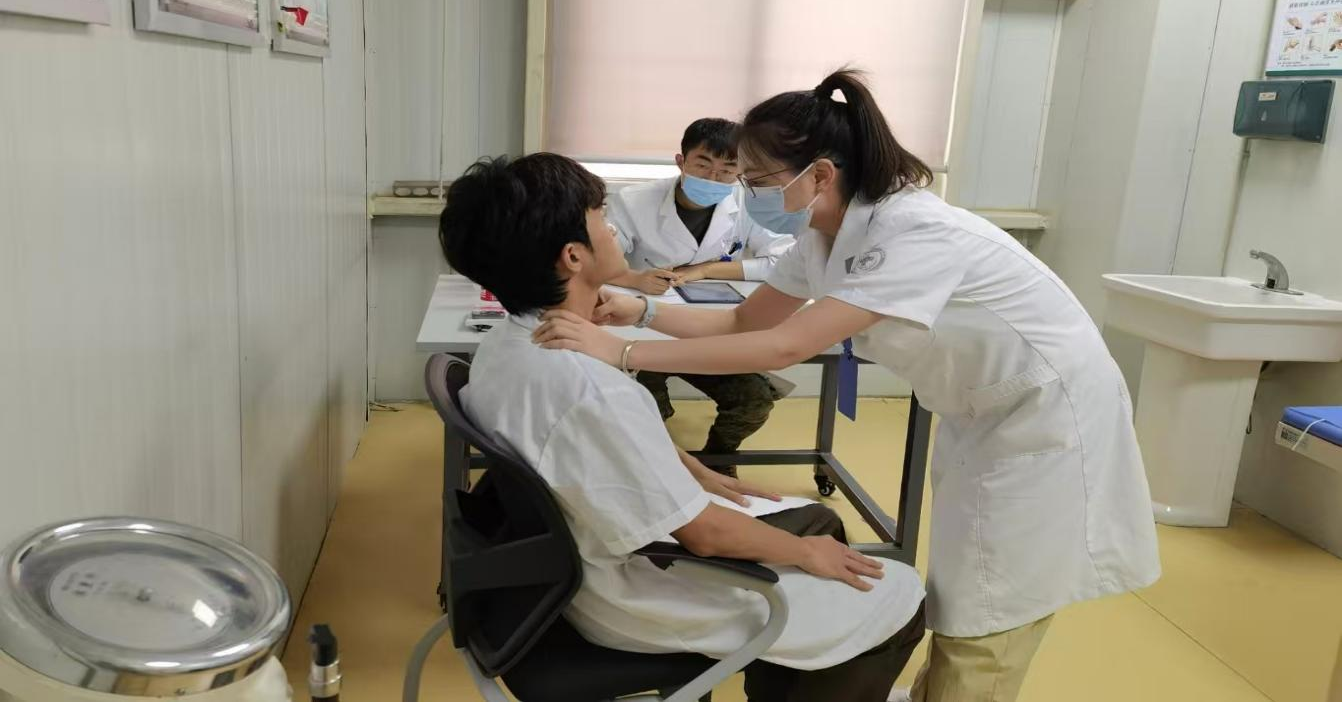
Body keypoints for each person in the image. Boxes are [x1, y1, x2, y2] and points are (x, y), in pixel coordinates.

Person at [532, 70, 1163, 702]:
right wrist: (641, 311)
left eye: (757, 180)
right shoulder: (822, 236)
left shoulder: (915, 232)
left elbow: (787, 345)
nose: (747, 193)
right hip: (984, 415)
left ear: (821, 175)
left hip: (1047, 417)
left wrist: (624, 352)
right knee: (968, 586)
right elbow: (746, 321)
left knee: (992, 607)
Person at [438, 153, 927, 702]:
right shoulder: (588, 388)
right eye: (600, 216)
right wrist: (805, 554)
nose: (612, 227)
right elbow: (704, 534)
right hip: (635, 592)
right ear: (573, 256)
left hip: (568, 565)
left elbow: (591, 445)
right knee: (899, 593)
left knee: (818, 520)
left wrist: (688, 467)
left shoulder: (505, 346)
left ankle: (787, 676)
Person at [606, 117, 795, 472]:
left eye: (727, 170)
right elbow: (599, 259)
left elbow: (784, 261)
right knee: (646, 407)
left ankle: (716, 462)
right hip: (645, 328)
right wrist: (634, 278)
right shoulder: (633, 201)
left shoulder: (748, 204)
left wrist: (707, 270)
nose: (714, 179)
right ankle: (661, 467)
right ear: (681, 161)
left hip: (713, 329)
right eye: (703, 165)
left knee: (753, 401)